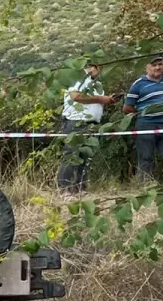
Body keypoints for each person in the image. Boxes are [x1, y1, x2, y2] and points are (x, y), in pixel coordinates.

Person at [58, 60, 117, 195]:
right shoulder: (77, 78)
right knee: (71, 154)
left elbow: (94, 102)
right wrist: (101, 99)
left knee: (85, 156)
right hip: (76, 121)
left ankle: (80, 188)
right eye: (93, 67)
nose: (96, 70)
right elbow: (76, 96)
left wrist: (108, 101)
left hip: (92, 123)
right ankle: (65, 189)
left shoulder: (98, 85)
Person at [124, 54, 163, 182]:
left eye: (160, 64)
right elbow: (127, 108)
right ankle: (145, 185)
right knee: (146, 156)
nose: (157, 67)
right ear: (147, 68)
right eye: (154, 65)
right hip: (146, 124)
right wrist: (143, 112)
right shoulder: (138, 84)